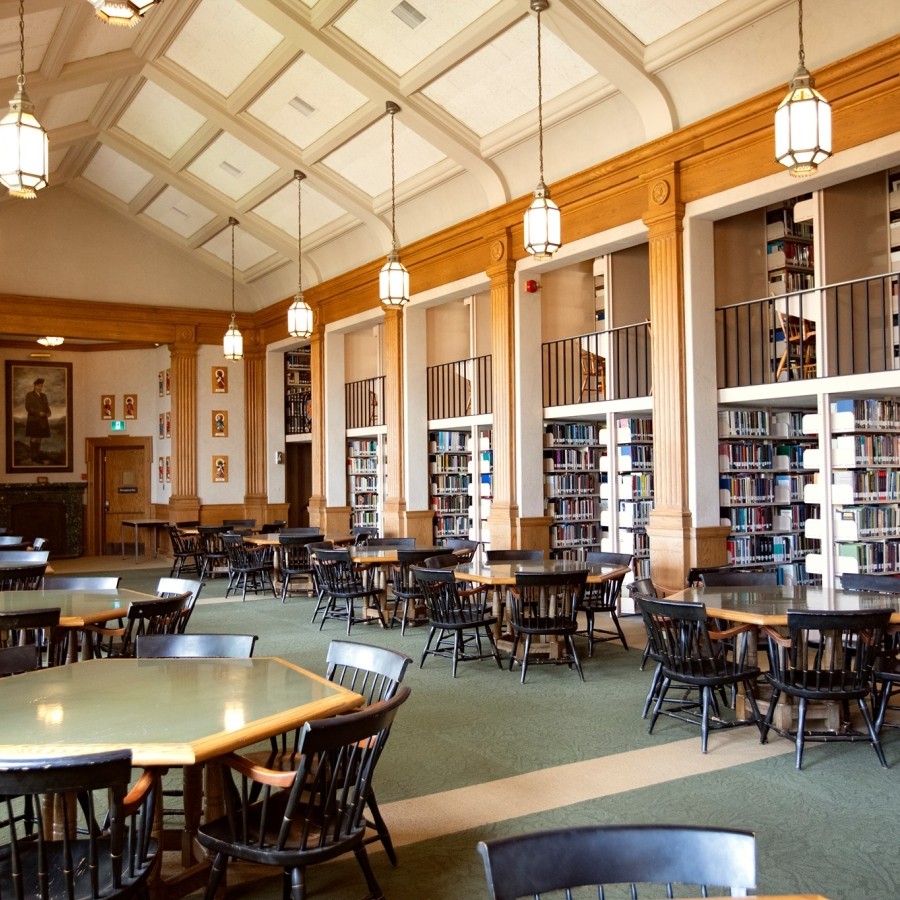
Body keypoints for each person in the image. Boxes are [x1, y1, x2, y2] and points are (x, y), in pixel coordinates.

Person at [25, 378, 51, 463]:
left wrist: (48, 413)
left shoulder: (44, 396)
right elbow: (28, 408)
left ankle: (37, 455)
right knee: (33, 438)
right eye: (39, 386)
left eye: (41, 386)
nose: (40, 388)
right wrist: (38, 413)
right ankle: (34, 456)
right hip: (33, 420)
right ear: (34, 386)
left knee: (39, 438)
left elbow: (47, 407)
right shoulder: (29, 395)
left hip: (43, 420)